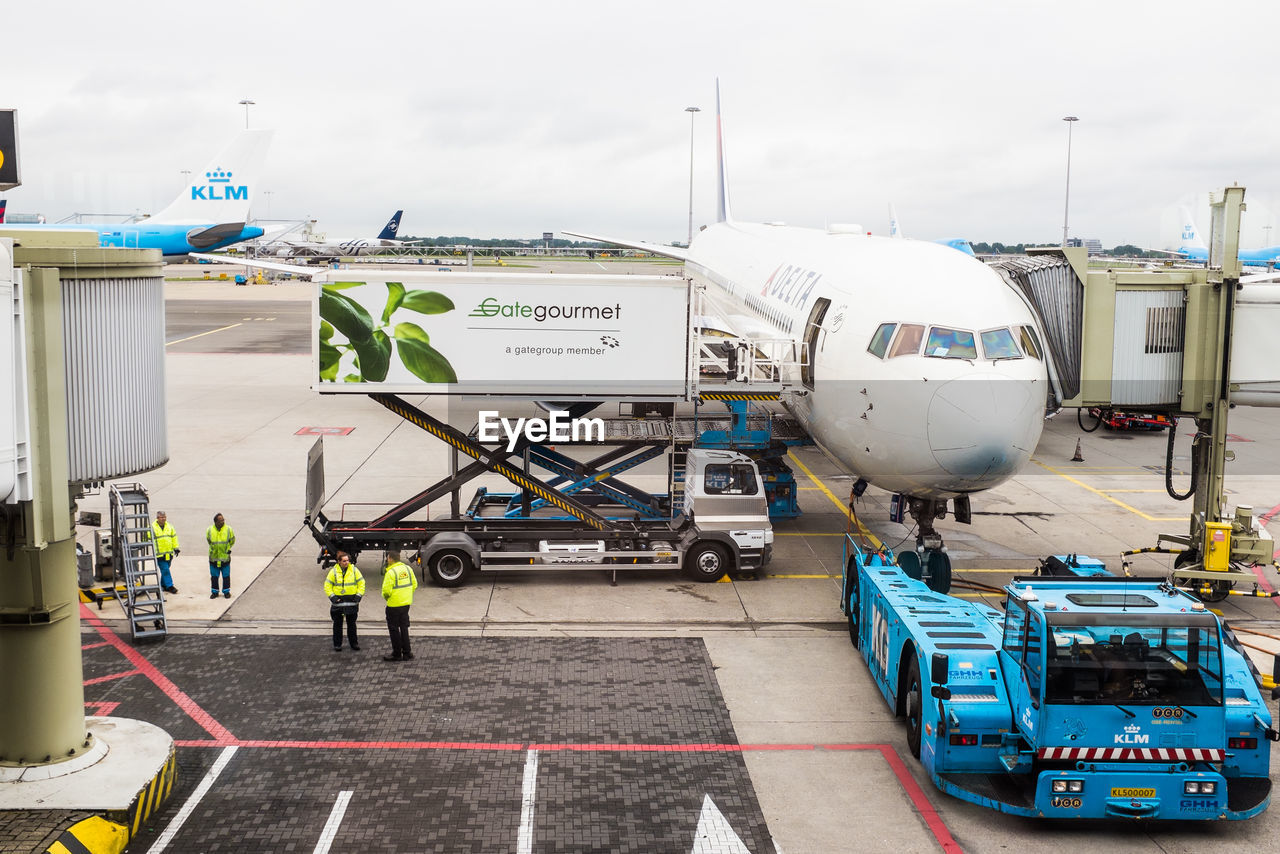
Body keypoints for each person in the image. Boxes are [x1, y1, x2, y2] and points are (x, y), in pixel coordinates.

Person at [381, 549, 417, 662]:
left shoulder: (391, 572)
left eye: (387, 558)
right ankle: (407, 652)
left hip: (394, 605)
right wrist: (406, 596)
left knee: (394, 629)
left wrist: (388, 598)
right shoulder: (408, 569)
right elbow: (414, 584)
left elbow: (386, 591)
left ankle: (397, 654)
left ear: (390, 559)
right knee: (404, 627)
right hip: (406, 604)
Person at [325, 551, 365, 651]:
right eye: (344, 561)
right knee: (337, 625)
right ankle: (337, 644)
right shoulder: (333, 572)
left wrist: (358, 595)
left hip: (351, 603)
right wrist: (333, 597)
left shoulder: (355, 570)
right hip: (338, 604)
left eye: (347, 560)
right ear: (339, 562)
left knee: (352, 625)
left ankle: (354, 644)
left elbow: (361, 583)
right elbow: (327, 586)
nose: (346, 562)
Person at [206, 513, 236, 599]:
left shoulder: (228, 529)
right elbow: (208, 540)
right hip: (214, 558)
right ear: (216, 522)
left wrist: (228, 548)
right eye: (221, 520)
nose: (223, 521)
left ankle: (226, 592)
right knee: (214, 576)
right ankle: (214, 592)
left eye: (223, 520)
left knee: (226, 576)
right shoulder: (209, 530)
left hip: (225, 557)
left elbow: (232, 540)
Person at [151, 511, 180, 594]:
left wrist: (176, 548)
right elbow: (147, 538)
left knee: (166, 569)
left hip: (169, 554)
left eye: (165, 517)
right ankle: (170, 586)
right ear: (157, 518)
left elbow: (174, 537)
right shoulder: (152, 527)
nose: (164, 519)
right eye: (162, 517)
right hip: (159, 554)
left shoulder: (169, 526)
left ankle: (163, 585)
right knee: (165, 570)